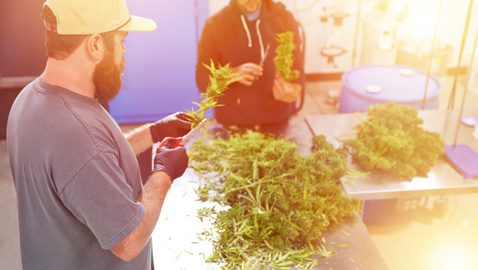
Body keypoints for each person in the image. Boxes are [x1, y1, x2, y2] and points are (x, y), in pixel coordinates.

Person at [6, 0, 191, 269]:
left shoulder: (31, 98)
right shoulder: (75, 129)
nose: (124, 52)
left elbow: (89, 167)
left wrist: (153, 132)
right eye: (122, 40)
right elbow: (129, 240)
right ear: (95, 45)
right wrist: (164, 172)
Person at [196, 0, 305, 128]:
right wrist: (231, 74)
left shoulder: (284, 19)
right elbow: (202, 80)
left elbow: (297, 68)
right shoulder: (214, 25)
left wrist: (294, 92)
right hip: (232, 122)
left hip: (277, 119)